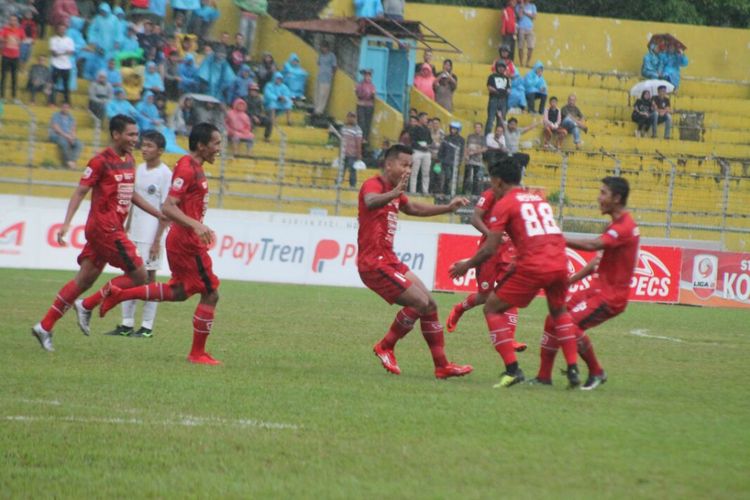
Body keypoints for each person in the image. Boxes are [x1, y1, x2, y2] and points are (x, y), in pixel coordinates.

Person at [31, 115, 164, 352]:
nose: (136, 139)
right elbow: (80, 192)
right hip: (104, 228)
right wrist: (66, 223)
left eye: (136, 134)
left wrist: (157, 213)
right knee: (140, 275)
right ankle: (87, 305)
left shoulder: (128, 160)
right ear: (116, 134)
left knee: (84, 280)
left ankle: (44, 326)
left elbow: (130, 194)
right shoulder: (99, 162)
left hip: (112, 228)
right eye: (131, 134)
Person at [449, 157, 581, 388]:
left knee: (492, 307)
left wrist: (466, 265)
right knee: (559, 312)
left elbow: (490, 247)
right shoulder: (539, 200)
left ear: (498, 182)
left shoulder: (504, 203)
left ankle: (513, 369)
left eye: (492, 181)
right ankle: (572, 370)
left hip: (534, 265)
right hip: (560, 261)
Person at [98, 123, 224, 365]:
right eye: (216, 143)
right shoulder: (188, 169)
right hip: (188, 241)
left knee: (178, 292)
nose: (219, 148)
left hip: (182, 238)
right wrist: (196, 225)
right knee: (211, 293)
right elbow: (168, 206)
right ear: (201, 145)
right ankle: (197, 353)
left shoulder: (192, 167)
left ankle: (120, 294)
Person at [360, 143, 473, 379]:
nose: (408, 169)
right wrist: (394, 193)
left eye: (410, 165)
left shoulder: (394, 192)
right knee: (420, 303)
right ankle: (385, 346)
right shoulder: (375, 185)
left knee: (430, 304)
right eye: (404, 164)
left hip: (390, 261)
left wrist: (447, 207)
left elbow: (413, 209)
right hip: (374, 263)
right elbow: (370, 201)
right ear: (388, 164)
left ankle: (442, 366)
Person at [533, 177, 639, 390]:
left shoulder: (624, 227)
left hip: (610, 297)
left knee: (568, 326)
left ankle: (597, 372)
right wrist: (570, 281)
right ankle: (544, 377)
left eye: (603, 193)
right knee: (553, 319)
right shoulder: (616, 225)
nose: (599, 198)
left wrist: (557, 238)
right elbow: (597, 261)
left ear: (617, 198)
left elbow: (593, 245)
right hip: (596, 290)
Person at [105, 131, 172, 338]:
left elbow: (166, 209)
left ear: (160, 150)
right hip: (134, 232)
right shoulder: (139, 169)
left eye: (150, 146)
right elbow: (134, 199)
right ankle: (126, 324)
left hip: (151, 235)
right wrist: (126, 225)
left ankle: (147, 327)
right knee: (130, 276)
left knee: (149, 279)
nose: (144, 149)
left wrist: (157, 240)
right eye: (144, 145)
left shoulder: (165, 174)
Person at [445, 189, 526, 352]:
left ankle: (510, 339)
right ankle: (460, 308)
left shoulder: (518, 196)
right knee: (484, 295)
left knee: (510, 293)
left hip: (509, 252)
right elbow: (475, 219)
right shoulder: (491, 194)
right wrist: (491, 235)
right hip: (488, 251)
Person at [49, 103, 82, 170]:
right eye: (64, 107)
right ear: (61, 108)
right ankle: (69, 162)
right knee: (64, 143)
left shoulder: (71, 117)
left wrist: (72, 137)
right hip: (56, 135)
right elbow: (56, 129)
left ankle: (73, 161)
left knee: (79, 144)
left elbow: (73, 129)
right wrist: (67, 136)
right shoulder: (55, 115)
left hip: (68, 136)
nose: (65, 109)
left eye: (67, 107)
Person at [436, 121, 464, 195]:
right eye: (452, 128)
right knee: (445, 177)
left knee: (453, 179)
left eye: (454, 129)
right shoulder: (446, 138)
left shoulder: (461, 140)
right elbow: (441, 149)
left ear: (458, 130)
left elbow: (461, 152)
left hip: (455, 163)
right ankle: (443, 192)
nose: (452, 130)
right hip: (445, 161)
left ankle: (451, 193)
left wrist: (459, 161)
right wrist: (439, 159)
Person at [48, 22, 74, 105]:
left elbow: (71, 52)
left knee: (66, 86)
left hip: (67, 66)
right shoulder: (53, 39)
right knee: (53, 84)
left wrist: (60, 53)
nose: (62, 30)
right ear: (57, 30)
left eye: (63, 29)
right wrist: (65, 52)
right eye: (60, 29)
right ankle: (52, 101)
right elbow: (54, 54)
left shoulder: (69, 40)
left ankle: (67, 102)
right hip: (56, 65)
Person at [407, 112, 432, 194]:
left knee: (426, 172)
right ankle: (412, 191)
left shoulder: (427, 129)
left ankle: (425, 191)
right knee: (414, 172)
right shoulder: (414, 129)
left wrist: (428, 145)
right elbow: (412, 141)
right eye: (425, 118)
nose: (426, 120)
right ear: (420, 119)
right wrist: (421, 147)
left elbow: (430, 140)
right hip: (417, 151)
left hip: (426, 152)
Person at [0, 15, 23, 100]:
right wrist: (8, 39)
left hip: (15, 56)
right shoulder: (5, 29)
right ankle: (2, 96)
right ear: (9, 21)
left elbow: (21, 40)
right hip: (6, 56)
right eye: (11, 20)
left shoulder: (20, 30)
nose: (13, 21)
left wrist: (17, 40)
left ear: (17, 21)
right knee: (3, 76)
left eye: (15, 20)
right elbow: (1, 38)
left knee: (14, 77)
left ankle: (14, 97)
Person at [485, 61, 510, 135]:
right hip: (494, 99)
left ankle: (499, 137)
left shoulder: (506, 78)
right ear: (497, 67)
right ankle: (487, 137)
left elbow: (508, 89)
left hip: (503, 100)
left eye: (503, 67)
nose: (501, 68)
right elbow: (489, 87)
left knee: (501, 121)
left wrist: (504, 91)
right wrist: (498, 91)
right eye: (499, 67)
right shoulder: (492, 76)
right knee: (490, 120)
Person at [341, 111, 363, 187]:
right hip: (343, 153)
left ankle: (352, 185)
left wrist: (359, 154)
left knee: (352, 169)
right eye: (350, 116)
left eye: (353, 117)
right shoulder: (344, 128)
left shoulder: (358, 130)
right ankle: (339, 182)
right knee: (341, 169)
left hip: (352, 154)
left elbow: (358, 143)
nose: (351, 119)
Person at [314, 41, 337, 116]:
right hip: (319, 77)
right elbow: (318, 63)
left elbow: (334, 67)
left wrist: (331, 74)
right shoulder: (321, 55)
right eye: (321, 47)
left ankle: (320, 111)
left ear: (327, 48)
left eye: (323, 47)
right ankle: (316, 109)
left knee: (323, 95)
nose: (321, 49)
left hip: (327, 78)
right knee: (317, 93)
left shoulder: (331, 56)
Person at [463, 122, 486, 195]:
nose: (477, 129)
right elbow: (466, 146)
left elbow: (484, 149)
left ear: (481, 129)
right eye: (476, 127)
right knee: (467, 177)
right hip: (469, 160)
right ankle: (464, 192)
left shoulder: (483, 138)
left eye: (479, 127)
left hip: (478, 161)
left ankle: (474, 194)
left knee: (476, 178)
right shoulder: (470, 136)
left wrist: (474, 152)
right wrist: (466, 154)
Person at [355, 68, 376, 145]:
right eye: (366, 75)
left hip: (369, 106)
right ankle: (360, 137)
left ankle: (365, 138)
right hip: (361, 105)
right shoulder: (360, 84)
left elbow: (373, 96)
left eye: (369, 75)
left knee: (368, 123)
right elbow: (358, 94)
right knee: (361, 122)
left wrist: (372, 95)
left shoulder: (372, 86)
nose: (367, 77)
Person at [516, 0, 536, 68]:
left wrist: (525, 12)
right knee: (520, 47)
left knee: (531, 47)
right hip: (521, 28)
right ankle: (521, 63)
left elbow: (534, 17)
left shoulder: (532, 6)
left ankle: (527, 63)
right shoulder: (518, 6)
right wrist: (521, 6)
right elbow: (519, 16)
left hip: (529, 28)